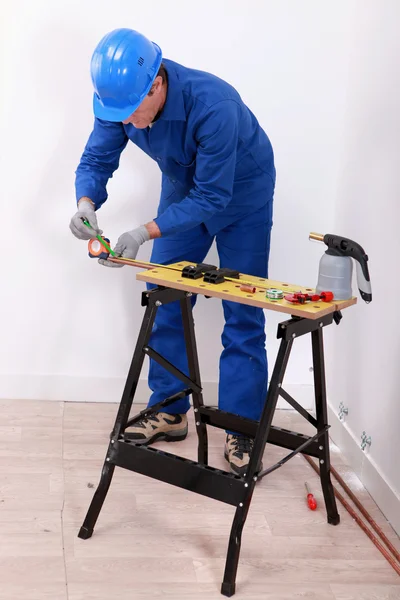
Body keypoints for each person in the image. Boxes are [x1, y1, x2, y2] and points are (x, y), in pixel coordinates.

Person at [70, 28, 276, 476]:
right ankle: (169, 410)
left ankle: (241, 426)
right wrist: (86, 203)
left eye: (132, 113)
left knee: (242, 306)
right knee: (167, 297)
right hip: (186, 188)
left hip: (242, 194)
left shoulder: (214, 105)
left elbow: (214, 196)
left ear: (156, 84)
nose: (126, 121)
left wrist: (144, 232)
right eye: (118, 114)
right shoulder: (120, 101)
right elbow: (97, 158)